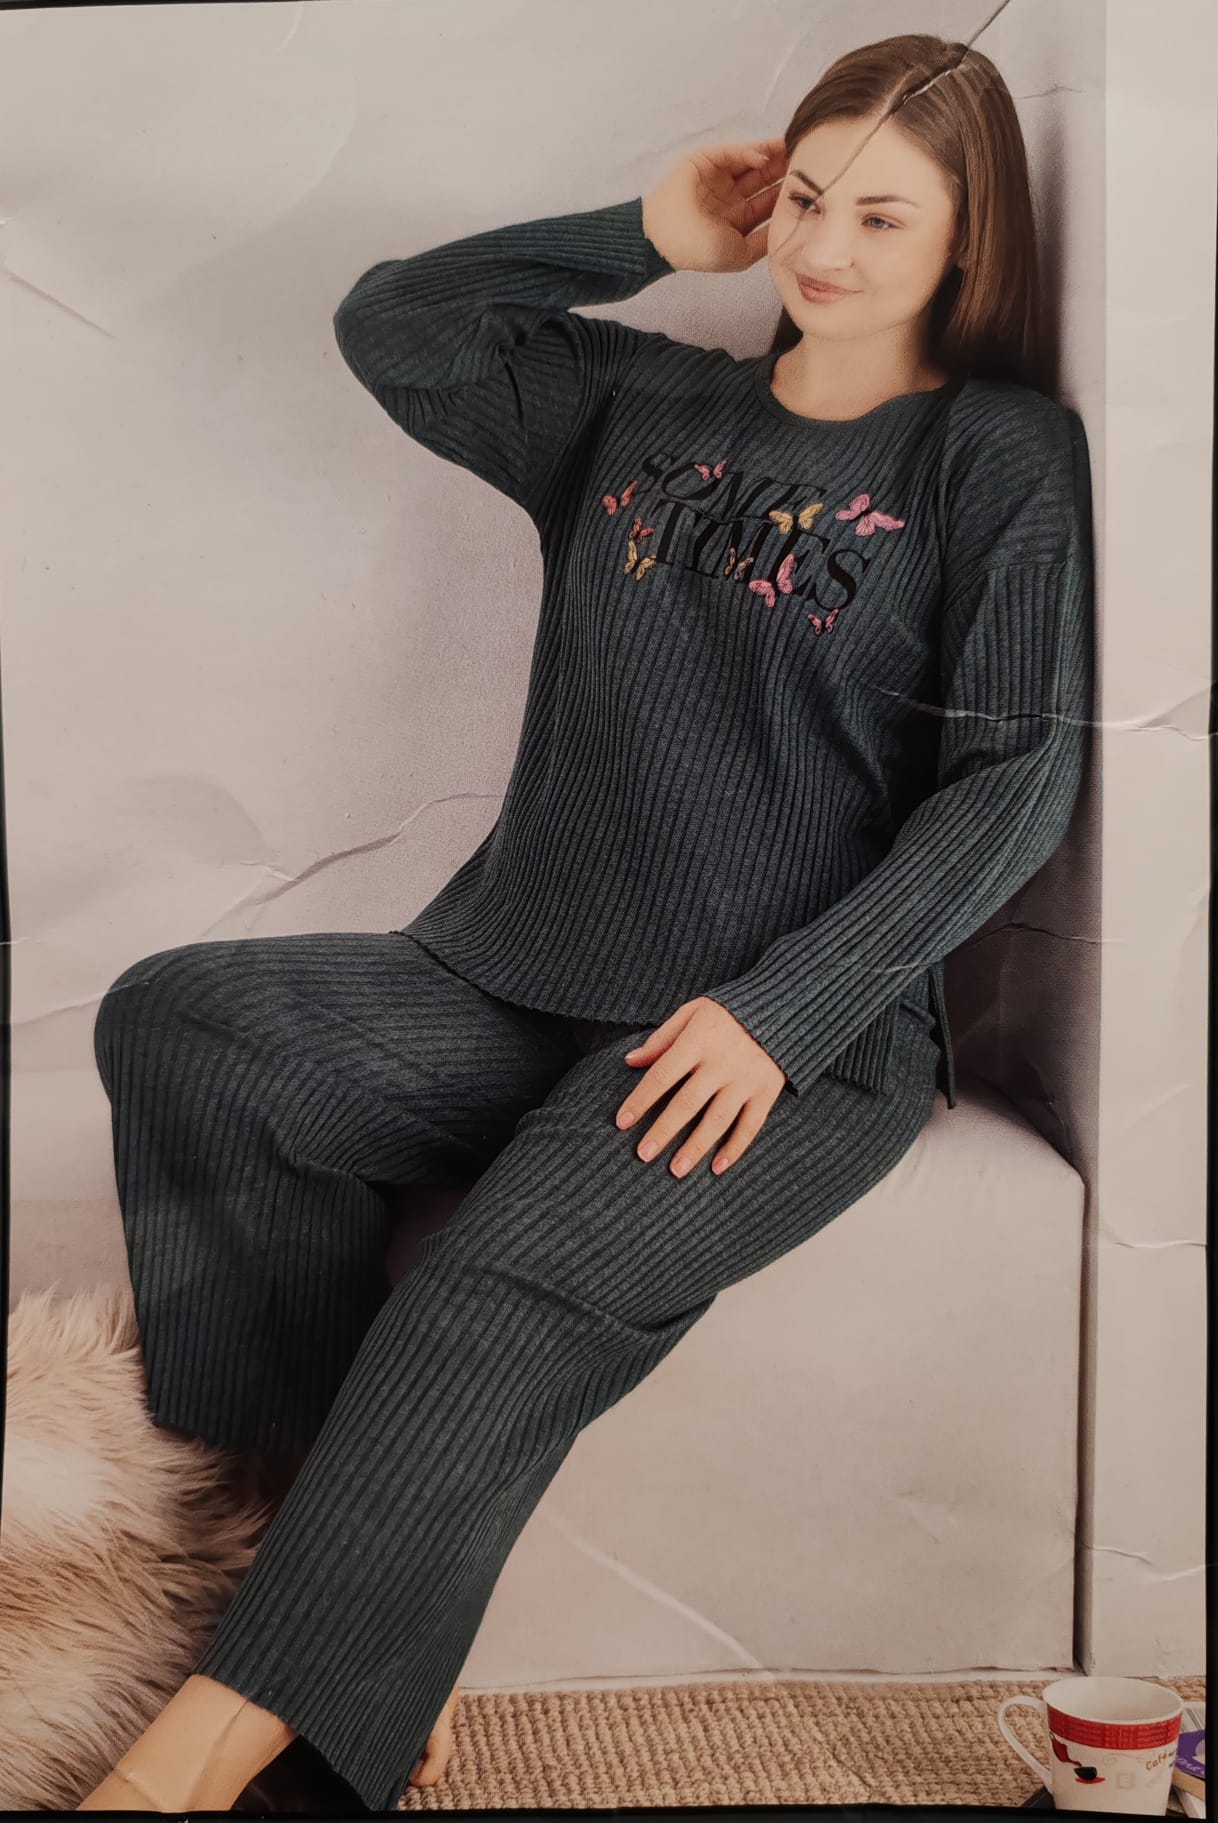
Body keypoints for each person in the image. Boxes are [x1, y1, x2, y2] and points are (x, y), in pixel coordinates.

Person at [77, 29, 1094, 1815]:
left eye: (881, 215)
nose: (822, 247)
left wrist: (786, 1013)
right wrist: (640, 230)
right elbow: (395, 326)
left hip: (781, 1043)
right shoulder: (638, 403)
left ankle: (188, 1770)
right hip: (514, 972)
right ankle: (300, 1572)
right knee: (188, 1018)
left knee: (489, 1290)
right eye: (804, 198)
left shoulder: (991, 454)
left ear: (967, 240)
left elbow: (1015, 778)